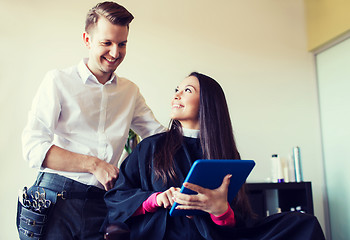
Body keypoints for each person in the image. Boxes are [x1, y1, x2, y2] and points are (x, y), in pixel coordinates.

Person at [103, 72, 326, 240]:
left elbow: (238, 218)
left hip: (213, 233)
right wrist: (154, 199)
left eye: (187, 90)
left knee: (303, 224)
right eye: (177, 89)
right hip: (167, 232)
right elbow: (116, 199)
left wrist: (220, 211)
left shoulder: (226, 154)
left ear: (207, 103)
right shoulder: (150, 148)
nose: (176, 95)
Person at [21, 2, 164, 239]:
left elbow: (159, 137)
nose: (115, 52)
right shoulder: (58, 81)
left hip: (102, 204)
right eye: (106, 43)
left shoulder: (130, 92)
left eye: (122, 44)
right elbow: (33, 147)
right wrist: (94, 164)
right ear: (87, 40)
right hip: (56, 199)